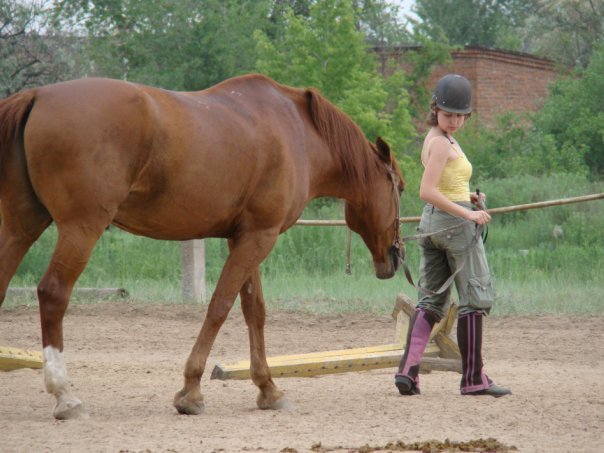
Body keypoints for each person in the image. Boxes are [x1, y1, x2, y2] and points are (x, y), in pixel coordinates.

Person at [394, 74, 511, 397]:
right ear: (435, 110)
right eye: (448, 114)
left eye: (460, 115)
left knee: (430, 301)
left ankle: (408, 372)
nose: (455, 121)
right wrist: (468, 213)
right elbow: (427, 191)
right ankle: (473, 378)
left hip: (433, 227)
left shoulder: (435, 137)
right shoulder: (443, 144)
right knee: (474, 298)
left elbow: (445, 185)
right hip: (453, 227)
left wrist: (468, 197)